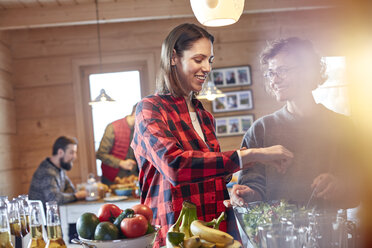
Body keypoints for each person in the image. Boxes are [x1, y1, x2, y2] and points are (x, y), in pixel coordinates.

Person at [130, 23, 294, 248]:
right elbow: (175, 166)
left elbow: (212, 173)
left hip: (214, 230)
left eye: (210, 60)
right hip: (174, 234)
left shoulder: (205, 116)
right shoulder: (150, 108)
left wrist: (234, 189)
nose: (207, 68)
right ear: (173, 58)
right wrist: (251, 155)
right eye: (198, 59)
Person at [229, 37, 360, 210]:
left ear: (308, 71)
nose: (274, 80)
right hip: (276, 234)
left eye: (282, 70)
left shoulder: (343, 126)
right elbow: (254, 187)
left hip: (331, 233)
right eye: (271, 73)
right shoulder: (260, 130)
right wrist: (249, 194)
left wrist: (339, 186)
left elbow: (358, 190)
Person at [29, 136, 86, 208]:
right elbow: (55, 199)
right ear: (60, 152)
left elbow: (71, 189)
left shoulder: (59, 169)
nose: (75, 156)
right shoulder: (47, 172)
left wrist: (62, 196)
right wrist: (77, 196)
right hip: (43, 218)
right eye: (71, 152)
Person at [96, 104, 138, 186]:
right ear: (135, 113)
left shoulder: (141, 130)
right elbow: (100, 154)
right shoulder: (113, 127)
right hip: (112, 178)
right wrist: (121, 163)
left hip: (133, 178)